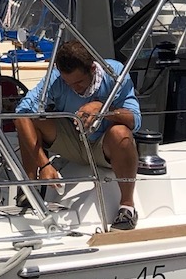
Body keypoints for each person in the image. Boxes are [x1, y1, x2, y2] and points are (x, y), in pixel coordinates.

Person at [14, 37, 140, 230]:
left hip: (103, 145)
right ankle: (29, 190)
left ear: (92, 69)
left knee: (121, 133)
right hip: (72, 140)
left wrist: (104, 110)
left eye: (79, 82)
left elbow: (135, 121)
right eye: (69, 83)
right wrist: (44, 164)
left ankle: (127, 207)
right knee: (29, 120)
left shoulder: (114, 73)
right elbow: (21, 114)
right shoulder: (56, 79)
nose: (74, 88)